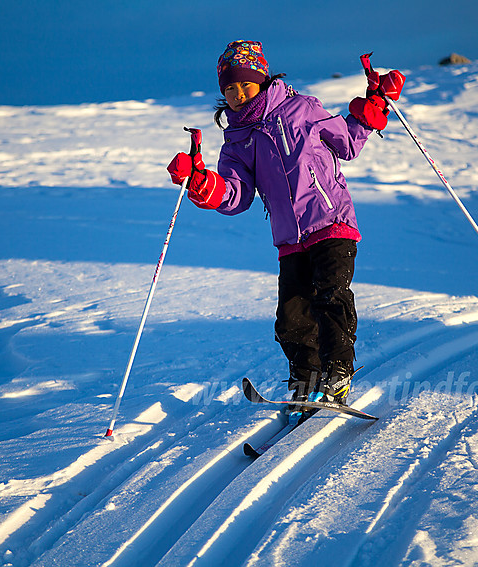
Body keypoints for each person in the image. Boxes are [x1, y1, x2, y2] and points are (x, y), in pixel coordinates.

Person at [168, 40, 404, 409]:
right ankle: (306, 381)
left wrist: (369, 111)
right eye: (229, 88)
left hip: (331, 222)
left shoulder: (301, 109)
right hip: (290, 239)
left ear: (261, 79)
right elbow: (236, 195)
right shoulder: (236, 142)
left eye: (245, 84)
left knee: (331, 295)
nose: (238, 93)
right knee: (291, 317)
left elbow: (346, 144)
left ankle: (338, 373)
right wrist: (203, 185)